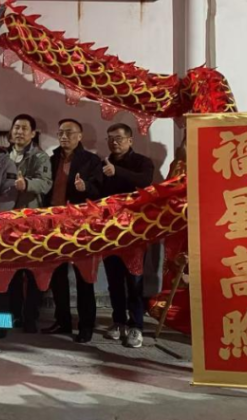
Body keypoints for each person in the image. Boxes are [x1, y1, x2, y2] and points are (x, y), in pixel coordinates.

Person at [44, 118, 103, 343]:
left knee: (84, 278)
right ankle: (63, 320)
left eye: (69, 133)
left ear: (80, 136)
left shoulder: (90, 161)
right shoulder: (51, 159)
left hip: (81, 226)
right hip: (54, 224)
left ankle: (86, 325)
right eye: (61, 133)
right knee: (57, 276)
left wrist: (85, 187)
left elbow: (99, 190)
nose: (64, 136)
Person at [100, 123, 155, 348]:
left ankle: (136, 326)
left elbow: (145, 181)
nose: (115, 142)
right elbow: (97, 194)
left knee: (134, 280)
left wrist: (117, 171)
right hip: (109, 231)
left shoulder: (143, 162)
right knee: (114, 280)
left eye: (120, 138)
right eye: (111, 138)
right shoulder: (102, 164)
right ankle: (118, 321)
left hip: (134, 231)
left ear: (130, 140)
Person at [6, 114, 54, 335]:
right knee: (8, 272)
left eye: (25, 128)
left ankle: (30, 319)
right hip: (5, 222)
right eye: (16, 128)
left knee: (32, 272)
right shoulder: (3, 155)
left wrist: (26, 184)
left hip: (30, 222)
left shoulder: (40, 157)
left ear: (33, 133)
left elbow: (45, 184)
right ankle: (9, 318)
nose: (19, 132)